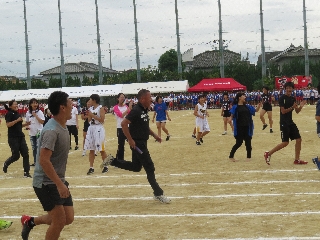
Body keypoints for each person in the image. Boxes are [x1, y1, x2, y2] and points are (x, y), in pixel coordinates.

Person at [21, 91, 74, 240]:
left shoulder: (61, 125)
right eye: (70, 102)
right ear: (62, 107)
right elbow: (44, 160)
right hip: (45, 182)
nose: (73, 105)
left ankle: (30, 222)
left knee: (68, 218)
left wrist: (60, 182)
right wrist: (59, 184)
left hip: (56, 180)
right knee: (59, 221)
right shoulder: (51, 130)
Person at [101, 89, 171, 204]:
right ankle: (158, 193)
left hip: (143, 142)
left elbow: (144, 127)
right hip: (138, 144)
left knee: (136, 167)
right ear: (143, 99)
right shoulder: (136, 110)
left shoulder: (144, 110)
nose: (151, 100)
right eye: (149, 98)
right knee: (149, 167)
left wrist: (154, 135)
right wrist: (130, 140)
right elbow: (124, 124)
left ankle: (112, 161)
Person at [264, 82, 307, 165]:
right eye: (287, 88)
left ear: (292, 89)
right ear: (285, 89)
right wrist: (292, 107)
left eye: (290, 88)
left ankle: (297, 159)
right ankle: (268, 154)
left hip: (290, 122)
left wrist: (301, 106)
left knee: (298, 139)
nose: (289, 89)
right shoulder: (282, 98)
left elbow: (297, 111)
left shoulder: (293, 98)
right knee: (285, 142)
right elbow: (283, 111)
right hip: (284, 122)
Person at [84, 94, 112, 175]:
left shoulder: (101, 108)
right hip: (91, 128)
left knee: (101, 149)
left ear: (94, 100)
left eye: (90, 100)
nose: (89, 101)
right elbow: (89, 120)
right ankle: (91, 167)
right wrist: (89, 116)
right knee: (91, 149)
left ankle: (106, 166)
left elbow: (102, 120)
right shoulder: (90, 108)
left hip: (99, 128)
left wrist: (92, 115)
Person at [229, 92, 261, 162]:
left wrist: (259, 106)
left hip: (247, 126)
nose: (245, 97)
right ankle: (231, 156)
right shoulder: (235, 107)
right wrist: (231, 122)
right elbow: (231, 116)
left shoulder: (247, 106)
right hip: (239, 127)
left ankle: (248, 157)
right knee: (239, 142)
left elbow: (255, 110)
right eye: (243, 96)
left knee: (248, 142)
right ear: (239, 98)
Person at [3, 100, 31, 178]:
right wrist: (17, 120)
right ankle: (6, 163)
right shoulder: (9, 114)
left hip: (20, 136)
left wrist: (26, 124)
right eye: (15, 104)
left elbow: (18, 126)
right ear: (10, 106)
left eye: (17, 104)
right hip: (13, 137)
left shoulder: (17, 113)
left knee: (25, 154)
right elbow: (8, 125)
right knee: (16, 156)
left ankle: (26, 172)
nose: (16, 105)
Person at [26, 98, 45, 166]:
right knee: (34, 147)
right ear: (30, 104)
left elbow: (42, 121)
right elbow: (27, 122)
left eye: (36, 103)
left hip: (39, 132)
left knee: (39, 147)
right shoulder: (28, 113)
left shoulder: (40, 112)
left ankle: (40, 161)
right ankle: (35, 162)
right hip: (32, 133)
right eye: (33, 103)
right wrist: (27, 126)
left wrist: (36, 116)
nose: (35, 104)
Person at [114, 93, 133, 160]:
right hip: (120, 128)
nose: (122, 98)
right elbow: (121, 115)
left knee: (132, 143)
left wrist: (129, 108)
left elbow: (130, 115)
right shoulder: (116, 107)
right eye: (121, 97)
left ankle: (137, 159)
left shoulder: (126, 107)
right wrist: (129, 109)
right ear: (118, 98)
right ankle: (119, 160)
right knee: (121, 145)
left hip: (127, 127)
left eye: (123, 97)